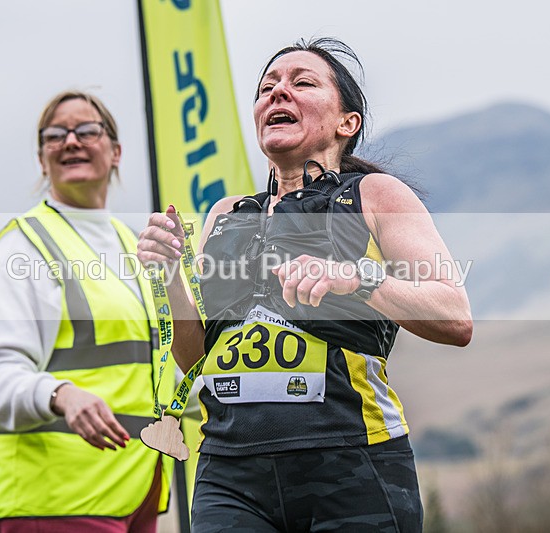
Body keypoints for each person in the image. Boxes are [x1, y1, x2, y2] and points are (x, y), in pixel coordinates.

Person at [137, 37, 472, 532]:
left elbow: (455, 316)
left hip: (353, 462)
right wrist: (168, 276)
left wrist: (355, 278)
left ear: (347, 123)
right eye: (267, 88)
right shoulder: (226, 215)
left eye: (303, 83)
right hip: (230, 473)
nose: (278, 94)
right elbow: (195, 357)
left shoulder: (375, 195)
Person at [0, 90, 173, 532]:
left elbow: (154, 368)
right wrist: (60, 394)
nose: (71, 141)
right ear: (43, 159)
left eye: (87, 130)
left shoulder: (130, 243)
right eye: (55, 135)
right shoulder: (21, 247)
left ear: (116, 152)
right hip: (56, 501)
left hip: (135, 493)